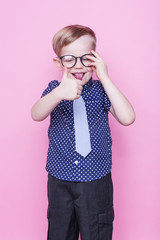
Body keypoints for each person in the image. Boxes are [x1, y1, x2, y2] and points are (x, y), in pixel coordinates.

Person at [31, 24, 135, 240]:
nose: (78, 66)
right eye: (69, 59)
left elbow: (127, 117)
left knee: (97, 231)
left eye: (85, 58)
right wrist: (59, 93)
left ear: (95, 59)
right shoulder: (54, 90)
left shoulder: (101, 91)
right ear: (58, 63)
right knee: (59, 232)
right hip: (60, 180)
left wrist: (104, 76)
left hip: (96, 180)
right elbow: (36, 113)